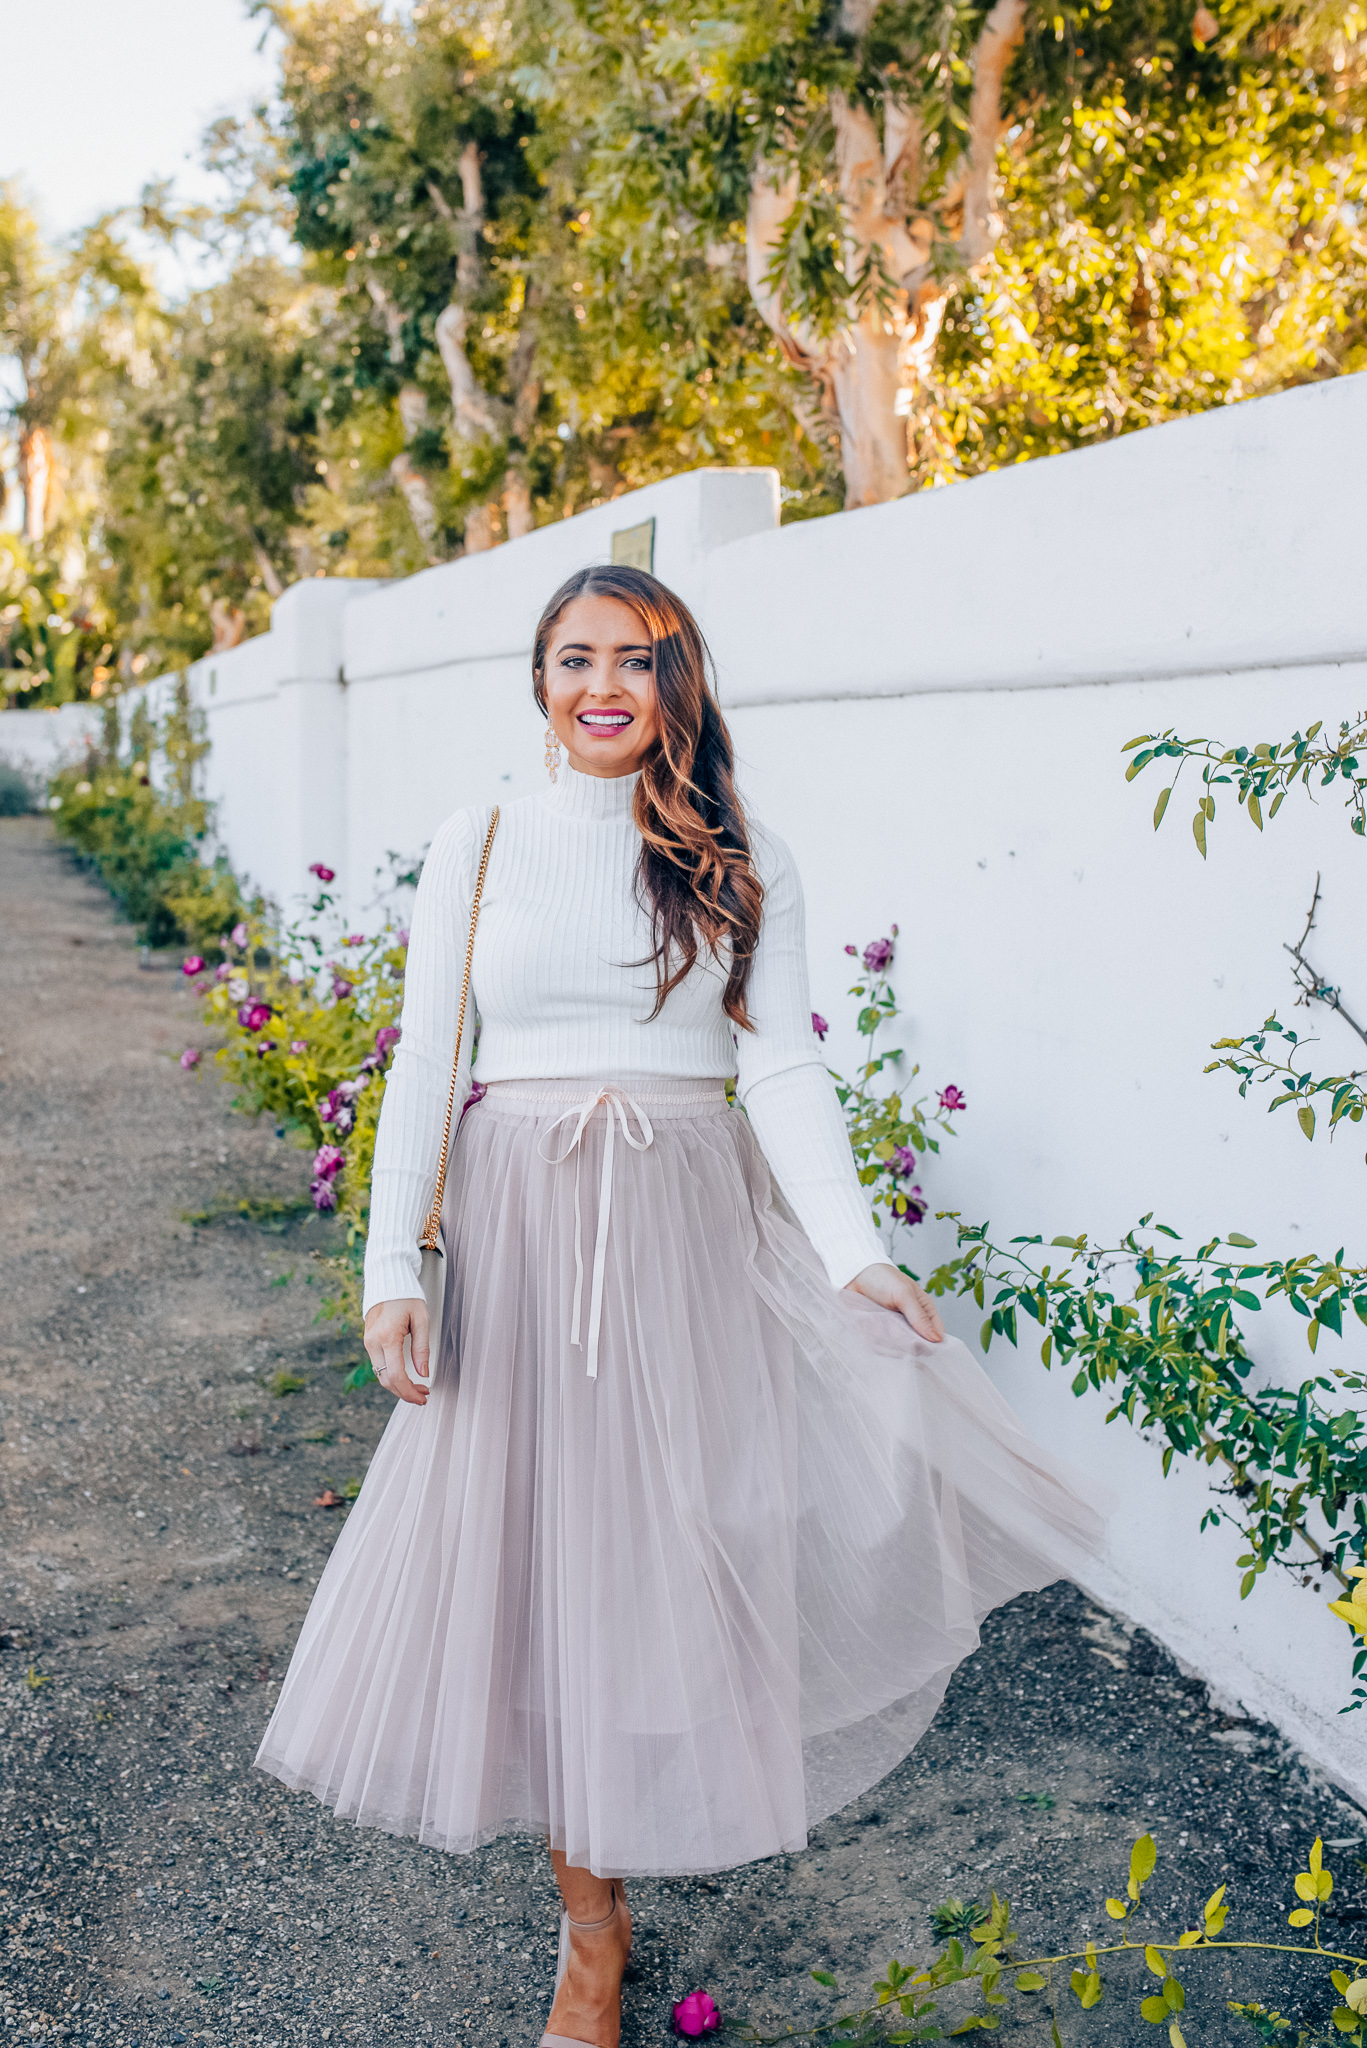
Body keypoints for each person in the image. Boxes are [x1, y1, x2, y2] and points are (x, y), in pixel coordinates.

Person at [256, 564, 1104, 2048]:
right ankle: (590, 1927)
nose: (604, 686)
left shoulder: (742, 852)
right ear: (538, 680)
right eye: (576, 658)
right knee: (535, 1565)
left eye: (637, 662)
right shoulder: (486, 838)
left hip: (689, 1231)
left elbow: (778, 1066)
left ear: (677, 685)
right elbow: (423, 1061)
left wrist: (855, 1253)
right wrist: (394, 1262)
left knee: (678, 1549)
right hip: (523, 1237)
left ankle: (636, 1819)